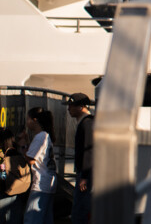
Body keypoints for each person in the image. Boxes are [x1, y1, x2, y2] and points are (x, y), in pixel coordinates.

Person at [64, 93, 94, 224]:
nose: (68, 108)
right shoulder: (85, 123)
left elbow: (89, 150)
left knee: (80, 208)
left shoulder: (87, 123)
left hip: (86, 173)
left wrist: (84, 176)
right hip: (85, 172)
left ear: (81, 106)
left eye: (71, 105)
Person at [23, 107, 56, 224]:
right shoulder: (46, 135)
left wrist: (22, 147)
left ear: (34, 120)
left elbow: (31, 159)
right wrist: (27, 142)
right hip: (48, 183)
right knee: (45, 219)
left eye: (28, 119)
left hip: (40, 184)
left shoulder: (40, 136)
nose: (27, 122)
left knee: (32, 219)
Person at [0, 127, 29, 223]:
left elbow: (3, 177)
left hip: (5, 193)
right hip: (20, 191)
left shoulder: (3, 156)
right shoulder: (18, 151)